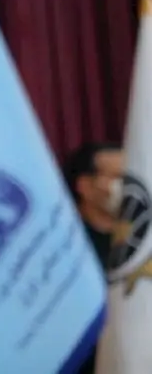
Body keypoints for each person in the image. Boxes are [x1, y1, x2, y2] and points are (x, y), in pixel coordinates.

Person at [63, 140, 124, 374]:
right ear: (86, 187)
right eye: (119, 177)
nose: (130, 187)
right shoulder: (66, 249)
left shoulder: (140, 242)